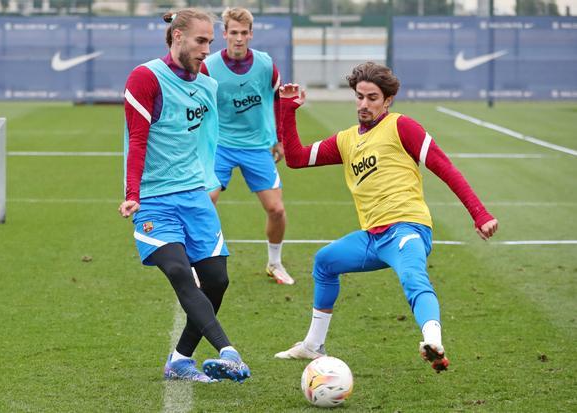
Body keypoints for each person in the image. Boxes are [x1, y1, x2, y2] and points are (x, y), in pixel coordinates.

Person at [273, 63, 499, 373]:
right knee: (325, 261)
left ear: (388, 100)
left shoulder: (401, 126)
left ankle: (433, 342)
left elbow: (444, 166)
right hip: (372, 237)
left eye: (372, 98)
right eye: (359, 97)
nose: (364, 104)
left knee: (413, 278)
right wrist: (288, 108)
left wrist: (480, 214)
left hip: (407, 228)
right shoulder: (346, 140)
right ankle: (313, 345)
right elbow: (296, 159)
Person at [119, 8, 250, 383]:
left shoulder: (206, 83)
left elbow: (211, 137)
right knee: (179, 271)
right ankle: (229, 352)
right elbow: (137, 140)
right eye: (200, 41)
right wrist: (132, 192)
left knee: (217, 280)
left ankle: (180, 360)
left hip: (194, 196)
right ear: (177, 37)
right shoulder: (145, 78)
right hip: (154, 199)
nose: (207, 49)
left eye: (210, 41)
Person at [200, 7, 294, 285]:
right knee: (205, 202)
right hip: (221, 146)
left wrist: (280, 138)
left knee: (276, 209)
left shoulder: (265, 64)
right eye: (233, 33)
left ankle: (274, 263)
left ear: (251, 34)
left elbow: (278, 97)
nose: (239, 38)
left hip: (257, 147)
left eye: (244, 33)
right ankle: (199, 262)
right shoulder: (209, 66)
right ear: (224, 34)